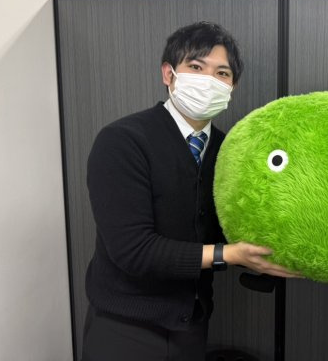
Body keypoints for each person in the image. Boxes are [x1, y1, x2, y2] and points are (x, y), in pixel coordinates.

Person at [81, 21, 298, 361]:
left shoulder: (229, 151)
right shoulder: (123, 141)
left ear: (232, 86)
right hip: (126, 327)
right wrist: (229, 255)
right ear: (169, 74)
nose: (209, 80)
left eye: (222, 73)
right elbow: (133, 250)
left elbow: (230, 225)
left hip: (192, 324)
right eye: (196, 67)